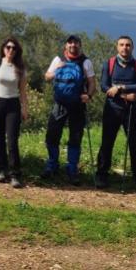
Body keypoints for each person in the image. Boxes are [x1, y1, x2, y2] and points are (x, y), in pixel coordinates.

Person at [95, 35, 136, 194]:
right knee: (107, 143)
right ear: (117, 47)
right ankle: (101, 175)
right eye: (122, 44)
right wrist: (126, 94)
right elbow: (104, 86)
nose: (125, 47)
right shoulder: (109, 64)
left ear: (132, 47)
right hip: (112, 110)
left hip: (131, 111)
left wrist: (119, 88)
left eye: (128, 45)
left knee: (135, 145)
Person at [41, 35, 96, 185]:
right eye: (70, 43)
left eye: (76, 43)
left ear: (80, 45)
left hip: (78, 104)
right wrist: (56, 70)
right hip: (59, 104)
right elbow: (47, 77)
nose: (73, 45)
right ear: (66, 45)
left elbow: (92, 82)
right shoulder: (58, 59)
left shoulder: (86, 62)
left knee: (75, 137)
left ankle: (72, 169)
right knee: (52, 135)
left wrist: (89, 95)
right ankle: (52, 165)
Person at [0, 37, 28, 188]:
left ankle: (15, 174)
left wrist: (24, 108)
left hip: (12, 105)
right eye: (8, 47)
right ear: (3, 48)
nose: (10, 50)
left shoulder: (20, 67)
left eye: (14, 48)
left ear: (17, 51)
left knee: (12, 140)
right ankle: (1, 170)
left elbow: (23, 91)